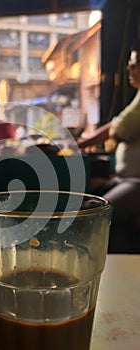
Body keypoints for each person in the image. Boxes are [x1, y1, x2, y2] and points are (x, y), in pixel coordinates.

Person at [78, 39, 140, 253]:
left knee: (98, 214)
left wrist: (83, 143)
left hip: (137, 182)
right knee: (87, 201)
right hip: (127, 178)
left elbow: (118, 130)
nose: (129, 69)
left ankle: (124, 265)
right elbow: (115, 125)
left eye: (135, 64)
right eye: (130, 64)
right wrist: (82, 143)